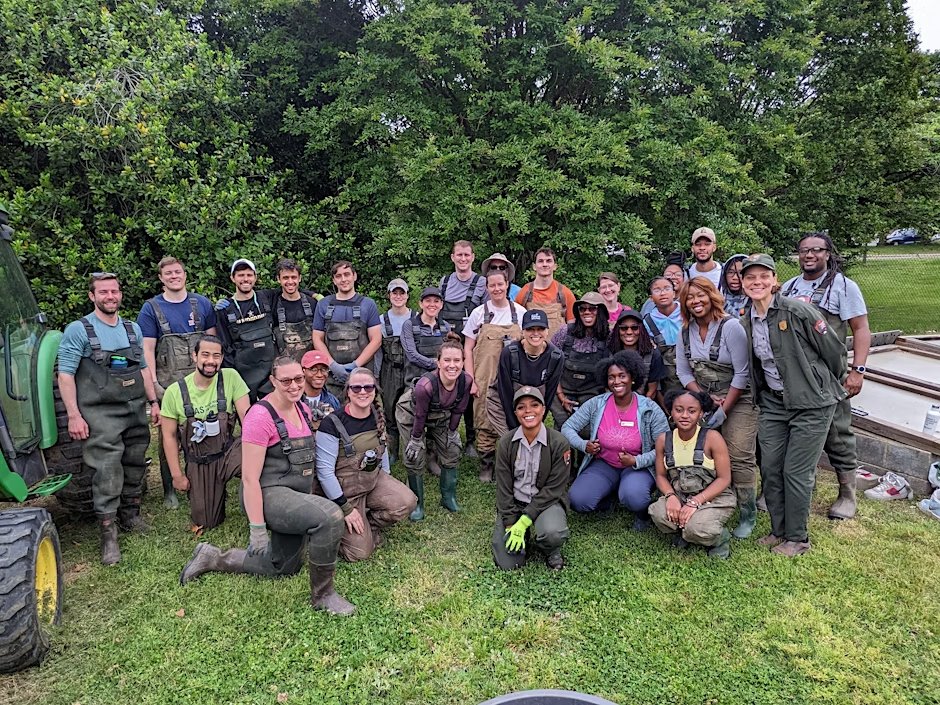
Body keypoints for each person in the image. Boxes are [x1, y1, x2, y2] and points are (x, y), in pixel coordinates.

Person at [179, 356, 355, 616]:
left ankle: (213, 557)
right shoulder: (260, 417)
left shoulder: (302, 409)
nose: (294, 385)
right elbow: (250, 479)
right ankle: (324, 596)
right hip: (266, 496)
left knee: (282, 565)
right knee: (329, 517)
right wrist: (257, 529)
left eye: (298, 379)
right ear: (273, 381)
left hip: (292, 495)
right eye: (286, 381)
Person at [739, 254, 847, 556]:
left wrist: (818, 385)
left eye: (764, 276)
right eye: (750, 277)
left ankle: (798, 538)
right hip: (774, 403)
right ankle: (779, 530)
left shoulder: (797, 310)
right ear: (743, 283)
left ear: (775, 280)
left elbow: (835, 353)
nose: (757, 282)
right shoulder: (746, 320)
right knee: (771, 466)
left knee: (796, 471)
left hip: (812, 404)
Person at [58, 273, 160, 565]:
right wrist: (74, 415)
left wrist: (153, 402)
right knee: (107, 469)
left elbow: (142, 369)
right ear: (92, 296)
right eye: (103, 292)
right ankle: (108, 532)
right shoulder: (79, 330)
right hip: (100, 413)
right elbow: (65, 375)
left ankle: (130, 515)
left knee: (135, 461)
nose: (110, 296)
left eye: (114, 291)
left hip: (134, 408)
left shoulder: (131, 328)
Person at [781, 232, 871, 520]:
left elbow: (860, 329)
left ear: (828, 254)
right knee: (788, 431)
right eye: (804, 250)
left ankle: (847, 494)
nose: (809, 255)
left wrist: (858, 371)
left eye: (816, 250)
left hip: (828, 375)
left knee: (837, 432)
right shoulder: (789, 287)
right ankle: (795, 489)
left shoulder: (843, 287)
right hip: (793, 375)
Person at [675, 277, 758, 538]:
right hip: (704, 399)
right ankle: (704, 501)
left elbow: (743, 372)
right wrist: (706, 400)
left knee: (738, 453)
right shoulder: (684, 332)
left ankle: (747, 512)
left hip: (739, 397)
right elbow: (683, 372)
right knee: (696, 449)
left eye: (701, 295)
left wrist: (724, 408)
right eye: (689, 297)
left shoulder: (731, 327)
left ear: (712, 297)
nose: (695, 301)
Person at [138, 256, 217, 509]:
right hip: (168, 386)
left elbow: (213, 345)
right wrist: (153, 387)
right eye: (168, 273)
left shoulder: (201, 304)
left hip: (201, 383)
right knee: (168, 437)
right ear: (161, 278)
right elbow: (147, 350)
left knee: (206, 432)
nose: (174, 276)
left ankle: (206, 479)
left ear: (185, 274)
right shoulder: (151, 309)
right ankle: (169, 488)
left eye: (177, 272)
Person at [315, 368, 417, 561]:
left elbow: (382, 449)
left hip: (372, 481)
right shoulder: (332, 424)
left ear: (375, 391)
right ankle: (336, 525)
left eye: (368, 387)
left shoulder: (377, 416)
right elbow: (324, 473)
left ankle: (368, 524)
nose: (362, 392)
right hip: (345, 493)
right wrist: (346, 509)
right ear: (348, 391)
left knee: (407, 501)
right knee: (359, 553)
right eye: (356, 388)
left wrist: (388, 480)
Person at [564, 351, 670, 529]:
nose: (616, 381)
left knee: (634, 497)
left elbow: (666, 446)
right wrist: (583, 445)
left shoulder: (649, 408)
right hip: (605, 463)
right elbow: (568, 427)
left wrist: (637, 460)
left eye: (622, 376)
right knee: (578, 500)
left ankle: (642, 512)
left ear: (633, 378)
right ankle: (608, 495)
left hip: (637, 467)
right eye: (611, 377)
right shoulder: (597, 403)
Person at [160, 334, 250, 533]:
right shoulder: (174, 392)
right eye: (205, 355)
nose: (211, 361)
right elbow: (169, 436)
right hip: (200, 461)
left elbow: (248, 419)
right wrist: (177, 476)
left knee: (264, 461)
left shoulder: (231, 377)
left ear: (222, 358)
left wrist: (256, 454)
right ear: (194, 356)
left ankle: (255, 505)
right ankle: (214, 492)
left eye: (216, 356)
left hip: (228, 451)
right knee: (208, 522)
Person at [492, 386, 572, 571]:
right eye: (521, 407)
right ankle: (524, 536)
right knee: (509, 564)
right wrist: (511, 522)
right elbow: (503, 487)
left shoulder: (559, 443)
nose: (528, 411)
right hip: (516, 502)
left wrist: (525, 520)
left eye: (534, 405)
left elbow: (554, 488)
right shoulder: (506, 443)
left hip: (546, 503)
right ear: (516, 413)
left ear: (543, 410)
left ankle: (551, 549)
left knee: (552, 533)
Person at [649, 389, 735, 558]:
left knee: (697, 528)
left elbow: (724, 479)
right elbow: (660, 475)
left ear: (701, 413)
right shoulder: (663, 440)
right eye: (679, 410)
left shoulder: (713, 438)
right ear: (671, 412)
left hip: (713, 497)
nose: (684, 415)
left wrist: (696, 502)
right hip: (680, 494)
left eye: (692, 411)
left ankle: (718, 538)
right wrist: (671, 496)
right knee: (659, 514)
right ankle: (683, 532)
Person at [396, 339, 472, 520]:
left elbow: (459, 409)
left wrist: (452, 432)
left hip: (440, 413)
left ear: (463, 362)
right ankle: (417, 503)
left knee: (452, 449)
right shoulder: (425, 386)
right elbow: (420, 415)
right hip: (412, 413)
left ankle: (448, 497)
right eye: (447, 360)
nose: (452, 365)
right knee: (414, 456)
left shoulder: (466, 381)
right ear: (438, 362)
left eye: (457, 360)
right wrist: (416, 440)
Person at [464, 270, 527, 482]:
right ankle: (487, 463)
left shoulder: (520, 313)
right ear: (487, 288)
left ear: (507, 284)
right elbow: (467, 348)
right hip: (484, 375)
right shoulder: (478, 313)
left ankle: (514, 461)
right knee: (484, 417)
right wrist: (471, 379)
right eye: (492, 285)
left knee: (516, 414)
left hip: (514, 378)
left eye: (500, 284)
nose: (497, 288)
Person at [440, 241, 487, 457]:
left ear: (473, 257)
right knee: (444, 389)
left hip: (471, 345)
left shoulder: (481, 282)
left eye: (467, 255)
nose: (463, 259)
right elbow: (437, 311)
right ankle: (442, 438)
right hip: (447, 345)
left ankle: (471, 439)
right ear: (452, 257)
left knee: (469, 389)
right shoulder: (445, 282)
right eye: (459, 255)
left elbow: (487, 315)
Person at [312, 260, 383, 398]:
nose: (343, 279)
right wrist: (332, 365)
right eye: (338, 276)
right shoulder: (323, 305)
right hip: (331, 377)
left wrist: (355, 365)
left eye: (347, 274)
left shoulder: (368, 304)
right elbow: (317, 338)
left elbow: (376, 340)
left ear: (354, 276)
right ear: (334, 280)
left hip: (362, 378)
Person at [491, 309, 564, 435]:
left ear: (547, 331)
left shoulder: (556, 357)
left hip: (535, 401)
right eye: (530, 329)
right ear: (522, 331)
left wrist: (535, 424)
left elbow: (549, 395)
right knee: (509, 438)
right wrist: (515, 429)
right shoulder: (509, 353)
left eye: (540, 329)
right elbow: (505, 392)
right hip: (504, 401)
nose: (535, 333)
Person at [215, 258, 276, 403]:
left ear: (255, 277)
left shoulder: (267, 297)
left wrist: (315, 296)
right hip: (244, 376)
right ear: (233, 278)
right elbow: (224, 346)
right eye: (240, 275)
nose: (245, 279)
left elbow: (291, 288)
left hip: (271, 374)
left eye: (249, 275)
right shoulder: (225, 309)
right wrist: (233, 379)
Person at [551, 292, 610, 431]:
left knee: (587, 431)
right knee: (562, 430)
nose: (586, 312)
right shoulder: (565, 332)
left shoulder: (609, 336)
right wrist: (561, 396)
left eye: (592, 308)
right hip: (562, 391)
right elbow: (550, 365)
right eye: (582, 309)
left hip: (593, 394)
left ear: (601, 311)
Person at [377, 278, 414, 465]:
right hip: (389, 370)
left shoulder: (416, 317)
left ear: (407, 296)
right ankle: (392, 451)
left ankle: (412, 448)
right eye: (394, 293)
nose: (398, 296)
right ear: (389, 295)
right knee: (389, 409)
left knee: (412, 408)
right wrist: (376, 375)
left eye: (402, 293)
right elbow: (377, 351)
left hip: (411, 370)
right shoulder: (381, 320)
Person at [514, 247, 577, 339]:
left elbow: (572, 326)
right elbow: (516, 325)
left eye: (548, 261)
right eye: (540, 261)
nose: (544, 264)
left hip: (558, 347)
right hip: (531, 346)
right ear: (534, 266)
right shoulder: (525, 292)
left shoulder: (565, 293)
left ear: (555, 266)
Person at [266, 258, 321, 361]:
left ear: (299, 278)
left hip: (311, 364)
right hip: (285, 364)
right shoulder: (272, 304)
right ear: (278, 279)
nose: (290, 281)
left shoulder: (313, 303)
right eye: (285, 278)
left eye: (293, 277)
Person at [606, 309, 667, 399]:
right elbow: (605, 387)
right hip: (613, 400)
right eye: (624, 328)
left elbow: (652, 391)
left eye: (634, 328)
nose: (629, 332)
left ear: (641, 330)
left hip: (642, 401)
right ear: (618, 330)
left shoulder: (653, 354)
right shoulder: (609, 352)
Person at [643, 276, 683, 395]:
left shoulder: (687, 312)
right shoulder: (648, 321)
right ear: (651, 298)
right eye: (657, 290)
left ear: (674, 293)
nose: (662, 293)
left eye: (667, 288)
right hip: (666, 372)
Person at [300, 349, 341, 417]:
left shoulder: (333, 401)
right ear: (303, 371)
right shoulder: (294, 400)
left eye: (324, 369)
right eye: (314, 369)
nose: (319, 375)